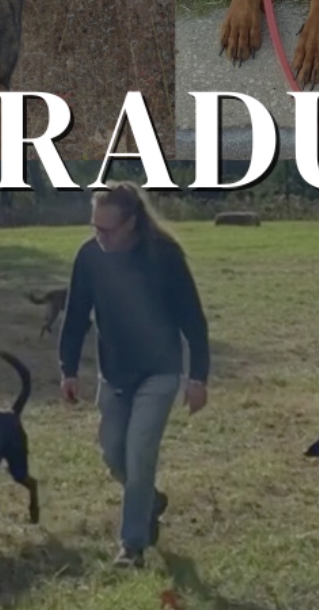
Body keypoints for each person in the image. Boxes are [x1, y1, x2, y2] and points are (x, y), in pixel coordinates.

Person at [58, 182, 210, 568]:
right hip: (114, 375)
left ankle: (132, 545)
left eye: (107, 228)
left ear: (131, 223)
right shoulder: (90, 256)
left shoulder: (164, 256)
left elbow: (193, 319)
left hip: (159, 371)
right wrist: (68, 369)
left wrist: (198, 377)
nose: (100, 235)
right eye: (95, 227)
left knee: (140, 454)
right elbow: (75, 315)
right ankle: (149, 501)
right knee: (114, 456)